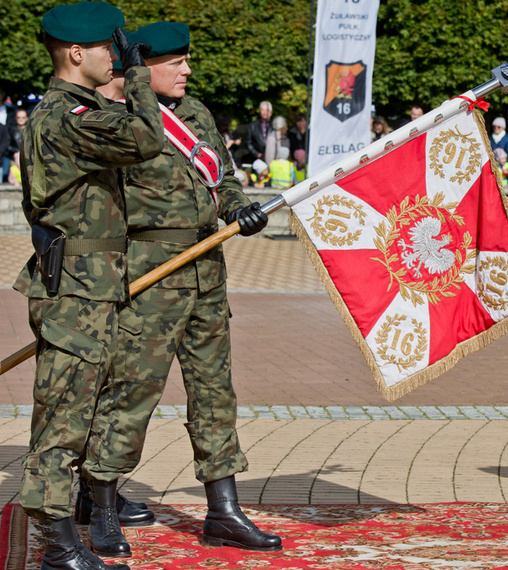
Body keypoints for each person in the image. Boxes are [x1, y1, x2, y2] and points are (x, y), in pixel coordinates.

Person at [80, 21, 281, 558]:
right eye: (177, 62)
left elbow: (225, 178)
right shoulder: (115, 121)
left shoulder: (197, 116)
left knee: (215, 392)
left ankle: (224, 511)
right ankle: (99, 503)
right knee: (132, 391)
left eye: (188, 60)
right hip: (150, 273)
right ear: (142, 69)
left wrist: (238, 206)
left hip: (206, 270)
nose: (188, 70)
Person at [12, 4, 164, 569]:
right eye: (111, 49)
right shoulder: (66, 116)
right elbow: (148, 136)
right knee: (62, 420)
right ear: (77, 53)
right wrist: (142, 75)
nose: (118, 59)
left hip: (89, 285)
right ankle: (57, 546)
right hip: (75, 290)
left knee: (75, 414)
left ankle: (63, 536)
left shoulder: (77, 111)